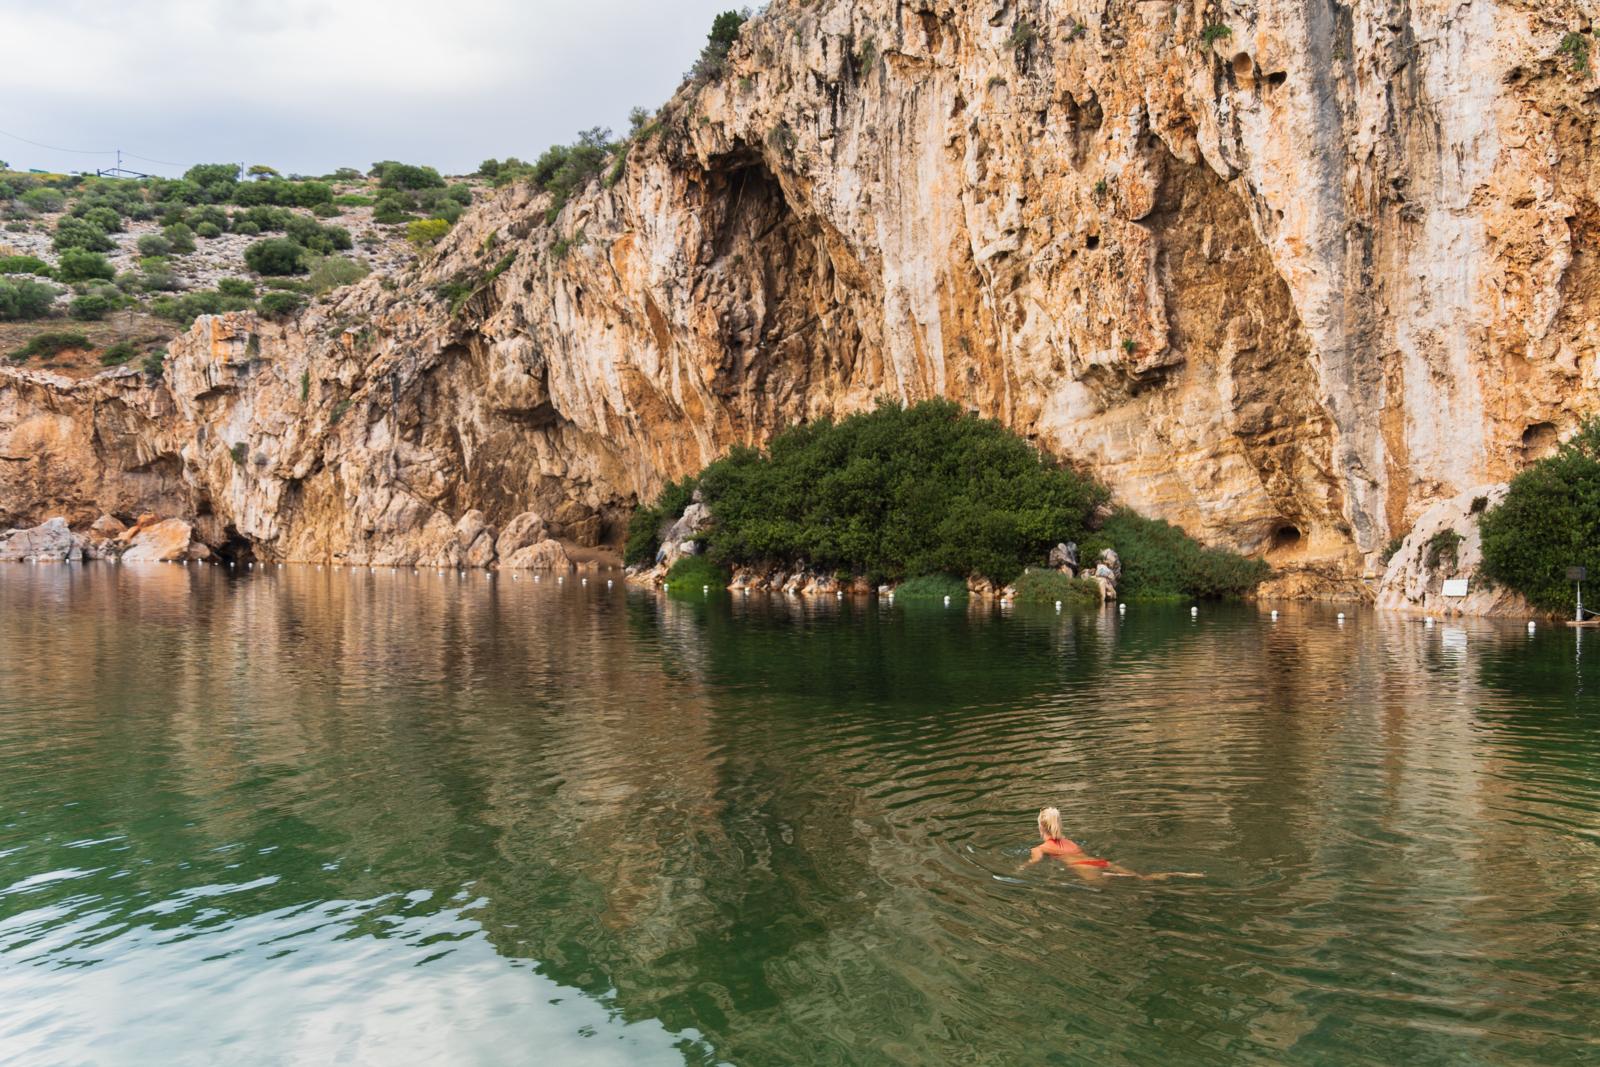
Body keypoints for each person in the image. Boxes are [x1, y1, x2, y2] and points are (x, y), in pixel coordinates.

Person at [1026, 807, 1202, 882]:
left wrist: (1022, 867)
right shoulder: (1070, 842)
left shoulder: (1040, 848)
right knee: (1141, 878)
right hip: (1099, 862)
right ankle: (1179, 873)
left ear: (1041, 827)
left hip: (1083, 868)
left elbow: (1034, 862)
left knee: (1112, 890)